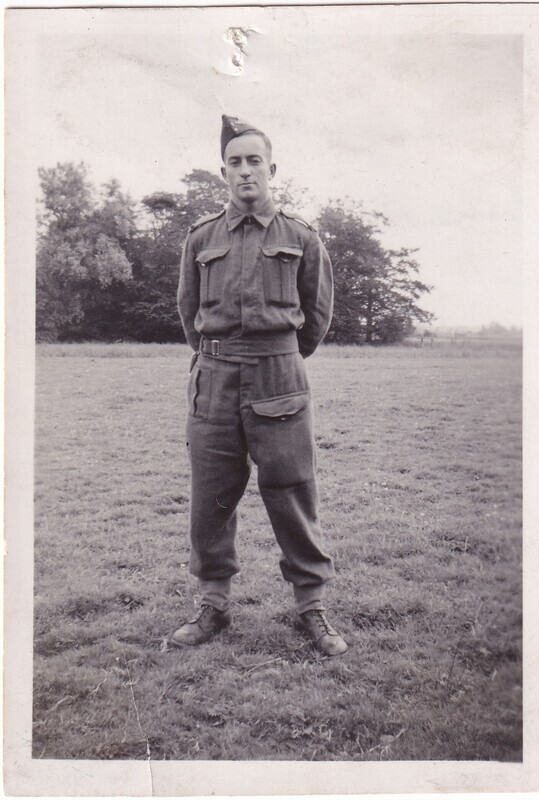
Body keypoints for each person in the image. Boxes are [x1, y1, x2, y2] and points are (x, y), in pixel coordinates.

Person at [173, 114, 347, 656]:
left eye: (254, 161)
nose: (245, 171)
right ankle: (213, 605)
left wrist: (278, 358)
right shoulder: (200, 238)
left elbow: (316, 316)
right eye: (234, 162)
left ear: (272, 169)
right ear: (222, 172)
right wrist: (219, 358)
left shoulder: (302, 237)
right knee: (212, 495)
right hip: (215, 379)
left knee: (293, 492)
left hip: (279, 375)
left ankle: (311, 607)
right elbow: (188, 313)